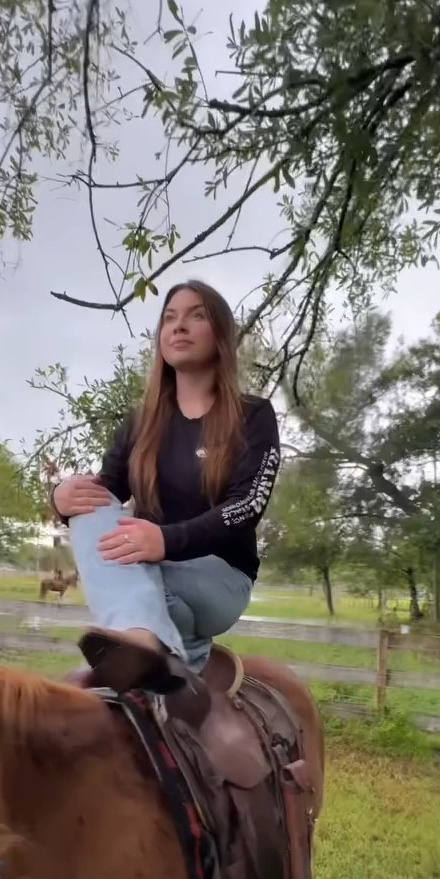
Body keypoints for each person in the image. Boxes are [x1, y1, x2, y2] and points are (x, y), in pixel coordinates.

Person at [51, 279, 281, 701]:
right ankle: (157, 648)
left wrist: (165, 540)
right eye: (169, 318)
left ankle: (142, 636)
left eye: (196, 315)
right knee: (90, 512)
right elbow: (106, 495)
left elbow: (247, 506)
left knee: (132, 575)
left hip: (220, 577)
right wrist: (61, 500)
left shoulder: (253, 415)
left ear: (221, 334)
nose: (179, 326)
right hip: (149, 573)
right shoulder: (140, 424)